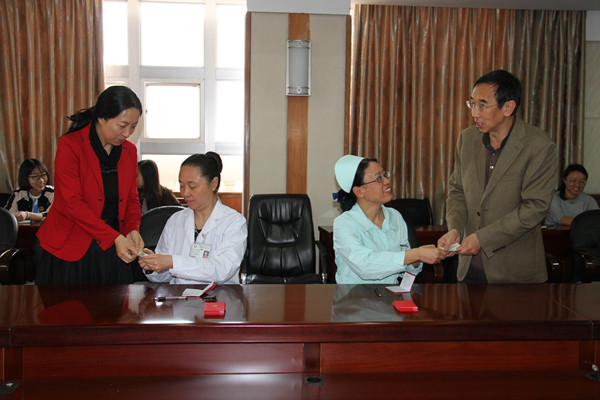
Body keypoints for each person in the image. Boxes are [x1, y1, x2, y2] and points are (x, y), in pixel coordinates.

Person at [437, 70, 558, 284]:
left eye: (482, 105)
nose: (475, 113)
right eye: (472, 104)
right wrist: (455, 228)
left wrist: (483, 238)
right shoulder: (467, 139)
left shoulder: (539, 146)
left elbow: (535, 207)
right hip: (469, 269)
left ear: (508, 107)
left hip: (515, 273)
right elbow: (457, 191)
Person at [36, 86, 144, 284]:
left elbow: (131, 199)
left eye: (133, 127)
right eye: (122, 125)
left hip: (114, 246)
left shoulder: (129, 151)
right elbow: (72, 204)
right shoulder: (71, 146)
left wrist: (132, 229)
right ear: (101, 118)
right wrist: (114, 237)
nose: (127, 133)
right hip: (71, 247)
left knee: (115, 303)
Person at [333, 155, 447, 284]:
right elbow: (365, 266)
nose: (387, 181)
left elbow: (407, 271)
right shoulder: (344, 223)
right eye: (379, 179)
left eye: (385, 175)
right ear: (359, 191)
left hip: (390, 293)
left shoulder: (395, 216)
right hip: (354, 295)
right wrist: (415, 254)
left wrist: (417, 260)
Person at [138, 152, 247, 284]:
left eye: (192, 186)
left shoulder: (233, 222)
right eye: (182, 186)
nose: (185, 193)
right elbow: (166, 275)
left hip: (218, 294)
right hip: (179, 295)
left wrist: (172, 262)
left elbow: (222, 269)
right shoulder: (175, 220)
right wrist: (153, 266)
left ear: (213, 183)